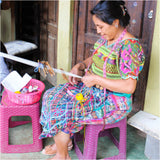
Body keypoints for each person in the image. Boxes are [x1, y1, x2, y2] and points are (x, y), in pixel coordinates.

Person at [39, 0, 145, 159]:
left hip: (113, 101)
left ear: (115, 22)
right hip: (93, 90)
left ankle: (63, 155)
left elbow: (129, 87)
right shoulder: (107, 37)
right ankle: (64, 143)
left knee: (63, 108)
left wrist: (97, 79)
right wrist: (81, 65)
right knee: (51, 96)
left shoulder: (129, 47)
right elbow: (95, 58)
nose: (98, 31)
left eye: (100, 27)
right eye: (96, 26)